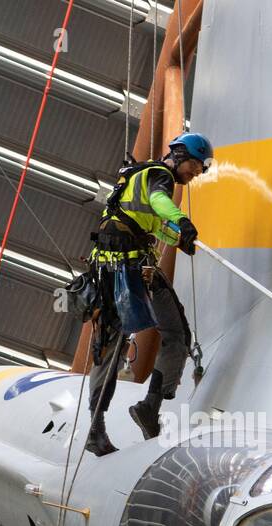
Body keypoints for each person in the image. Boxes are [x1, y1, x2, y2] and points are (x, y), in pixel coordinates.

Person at [84, 132, 213, 456]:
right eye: (196, 167)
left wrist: (177, 237)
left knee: (176, 335)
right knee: (113, 347)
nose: (195, 175)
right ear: (182, 155)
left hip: (135, 266)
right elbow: (159, 203)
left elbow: (151, 223)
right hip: (121, 270)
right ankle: (96, 428)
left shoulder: (138, 176)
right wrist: (182, 221)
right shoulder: (159, 177)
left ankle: (149, 408)